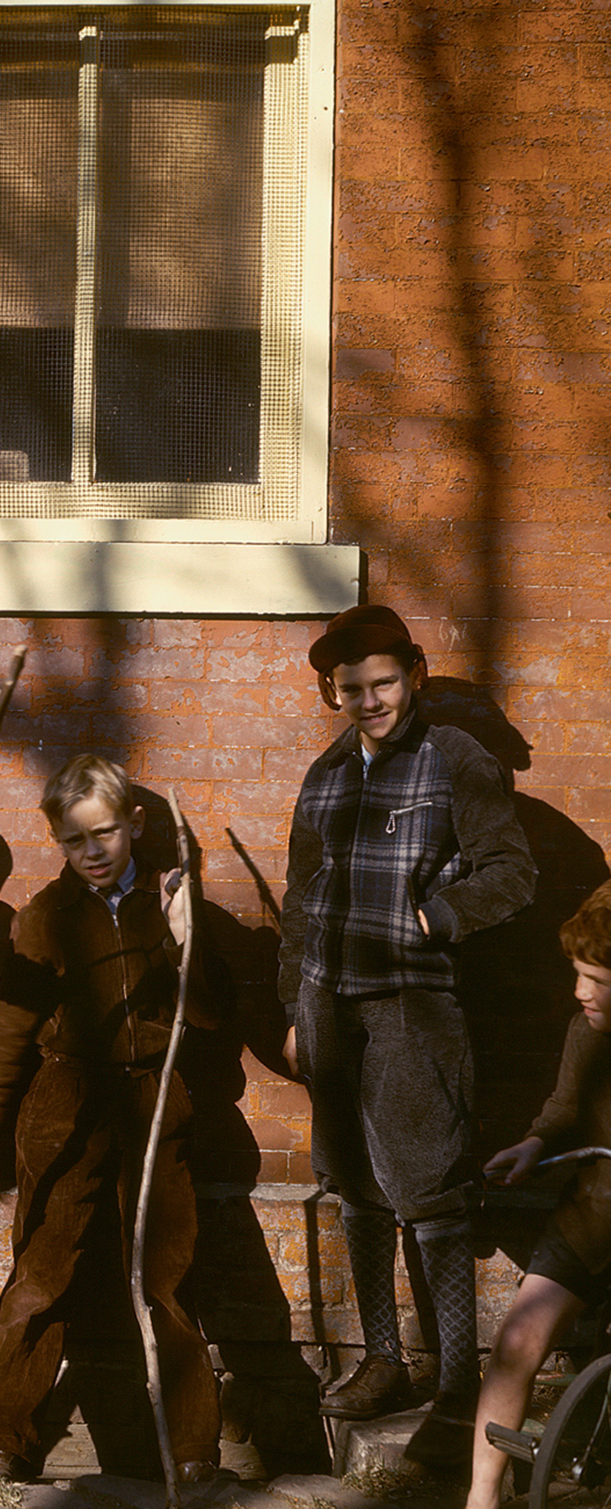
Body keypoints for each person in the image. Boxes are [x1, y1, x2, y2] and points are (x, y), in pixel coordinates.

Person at [279, 604, 535, 1465]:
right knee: (353, 1183)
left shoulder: (458, 760)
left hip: (412, 1007)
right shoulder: (323, 775)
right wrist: (292, 1006)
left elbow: (513, 872)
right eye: (351, 688)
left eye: (383, 682)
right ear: (332, 691)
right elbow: (298, 900)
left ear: (413, 676)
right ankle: (386, 1359)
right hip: (328, 1004)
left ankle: (457, 1383)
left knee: (430, 1192)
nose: (369, 699)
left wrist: (436, 918)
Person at [0, 754, 221, 1485]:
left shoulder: (169, 901)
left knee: (168, 1272)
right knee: (42, 1272)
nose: (92, 851)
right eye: (73, 840)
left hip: (152, 1101)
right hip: (64, 1103)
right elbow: (6, 1027)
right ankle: (2, 1441)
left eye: (103, 833)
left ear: (133, 823)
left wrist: (185, 937)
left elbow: (212, 1012)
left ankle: (193, 1451)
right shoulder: (46, 916)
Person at [464, 881, 611, 1509]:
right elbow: (564, 1108)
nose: (580, 991)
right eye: (578, 974)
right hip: (591, 1217)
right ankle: (482, 1497)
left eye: (596, 978)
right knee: (516, 1342)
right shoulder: (587, 1033)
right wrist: (533, 1144)